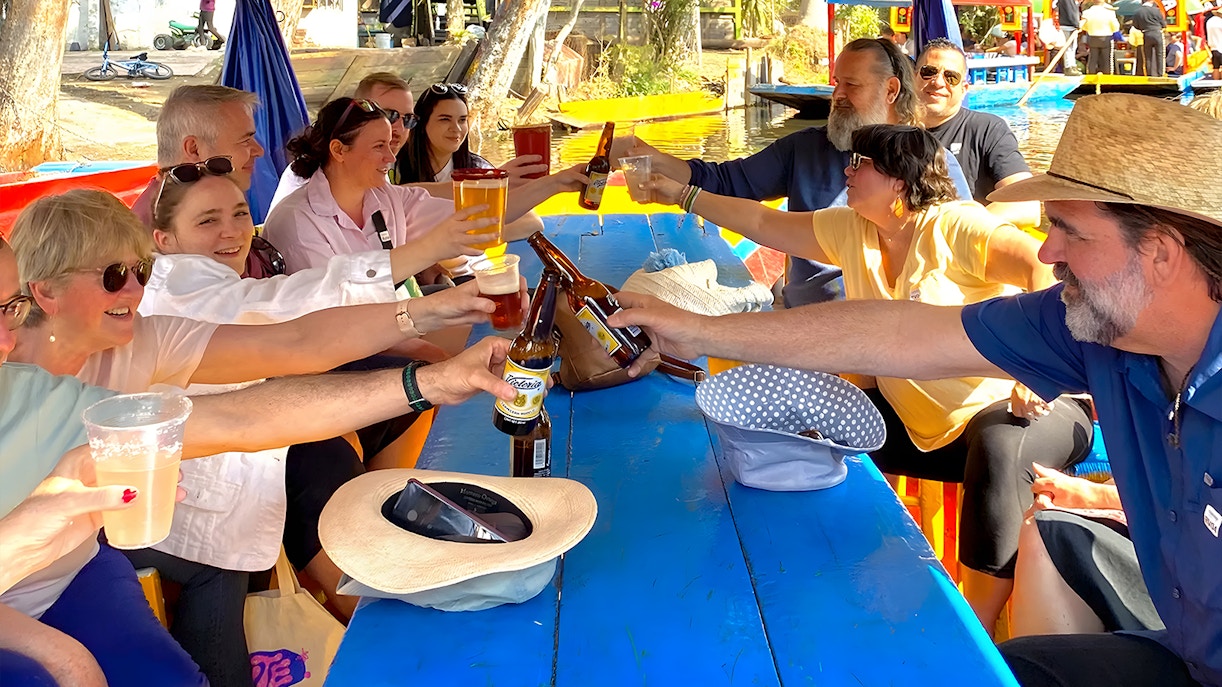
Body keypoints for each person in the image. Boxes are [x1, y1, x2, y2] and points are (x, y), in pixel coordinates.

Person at [610, 93, 1222, 686]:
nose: (1048, 250)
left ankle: (973, 615)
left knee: (1003, 450)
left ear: (1161, 254)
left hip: (992, 421)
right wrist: (699, 329)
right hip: (1188, 651)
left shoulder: (968, 235)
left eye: (1070, 232)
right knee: (1009, 669)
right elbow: (898, 330)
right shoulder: (1090, 329)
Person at [6, 189, 500, 687]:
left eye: (142, 272)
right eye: (115, 277)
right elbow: (240, 408)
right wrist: (58, 652)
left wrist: (427, 325)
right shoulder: (22, 386)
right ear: (44, 292)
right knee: (214, 561)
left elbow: (290, 347)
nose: (134, 291)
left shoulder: (139, 341)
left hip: (74, 568)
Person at [649, 123, 1092, 635]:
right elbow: (761, 221)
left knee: (997, 447)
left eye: (860, 164)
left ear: (900, 181)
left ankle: (975, 634)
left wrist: (1031, 369)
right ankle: (803, 568)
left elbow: (1042, 273)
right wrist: (685, 194)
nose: (846, 171)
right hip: (917, 423)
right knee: (807, 426)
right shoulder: (852, 228)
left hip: (1032, 407)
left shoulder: (957, 226)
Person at [612, 37, 973, 309]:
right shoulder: (806, 150)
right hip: (808, 316)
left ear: (891, 90)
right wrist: (654, 159)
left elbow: (961, 254)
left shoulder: (930, 163)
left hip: (891, 323)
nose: (837, 94)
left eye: (852, 85)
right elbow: (732, 189)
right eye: (836, 82)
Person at [263, 96, 584, 275]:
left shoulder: (385, 198)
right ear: (338, 150)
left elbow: (480, 216)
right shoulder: (298, 221)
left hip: (394, 318)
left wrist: (557, 183)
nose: (391, 156)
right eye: (379, 147)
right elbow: (331, 308)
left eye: (391, 144)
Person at [395, 82, 546, 244]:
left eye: (462, 120)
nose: (456, 128)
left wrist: (470, 238)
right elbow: (389, 198)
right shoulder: (394, 164)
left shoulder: (477, 167)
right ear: (422, 124)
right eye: (445, 119)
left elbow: (532, 222)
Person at [914, 39, 1041, 229]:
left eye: (951, 77)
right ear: (912, 77)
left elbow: (1026, 206)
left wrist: (949, 227)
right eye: (929, 72)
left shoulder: (988, 129)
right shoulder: (892, 132)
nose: (938, 82)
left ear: (964, 89)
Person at [268, 72, 419, 211]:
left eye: (408, 119)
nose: (398, 127)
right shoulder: (307, 178)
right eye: (388, 115)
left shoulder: (378, 164)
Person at [131, 85, 264, 228]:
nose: (259, 151)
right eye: (244, 141)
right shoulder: (153, 234)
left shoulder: (204, 203)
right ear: (194, 149)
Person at [1081, 0, 1121, 74]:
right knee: (1107, 61)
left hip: (1092, 36)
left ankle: (1090, 77)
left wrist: (1090, 29)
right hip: (1106, 36)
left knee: (1092, 60)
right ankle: (1107, 80)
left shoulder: (1087, 12)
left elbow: (1083, 27)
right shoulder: (1109, 12)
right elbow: (1115, 27)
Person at [1132, 0, 1168, 76]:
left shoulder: (1138, 12)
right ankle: (1160, 74)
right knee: (1160, 55)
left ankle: (1148, 74)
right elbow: (1164, 24)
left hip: (1146, 33)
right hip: (1157, 33)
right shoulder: (1156, 10)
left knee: (1147, 56)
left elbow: (1135, 25)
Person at [1057, 0, 1084, 74]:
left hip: (1070, 25)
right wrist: (1076, 24)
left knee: (1073, 47)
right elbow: (1070, 12)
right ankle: (1069, 67)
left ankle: (1072, 65)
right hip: (1068, 25)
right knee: (1069, 47)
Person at [1209, 7, 1222, 80]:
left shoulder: (1210, 21)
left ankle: (1215, 83)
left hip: (1213, 47)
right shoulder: (1220, 22)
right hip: (1221, 47)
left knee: (1216, 67)